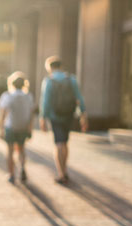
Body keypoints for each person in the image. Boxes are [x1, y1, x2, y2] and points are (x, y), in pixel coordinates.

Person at [39, 55, 88, 183]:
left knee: (58, 143)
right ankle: (64, 169)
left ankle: (61, 173)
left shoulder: (48, 81)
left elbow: (45, 101)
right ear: (61, 66)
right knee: (65, 142)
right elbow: (80, 98)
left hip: (55, 116)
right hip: (68, 114)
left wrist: (43, 118)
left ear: (50, 68)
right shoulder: (71, 79)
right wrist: (83, 115)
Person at [0, 71, 34, 184]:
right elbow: (31, 114)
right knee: (22, 149)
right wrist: (30, 128)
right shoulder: (28, 96)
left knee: (10, 151)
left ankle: (11, 174)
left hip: (10, 127)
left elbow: (2, 114)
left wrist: (0, 128)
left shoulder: (7, 96)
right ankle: (22, 167)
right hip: (23, 126)